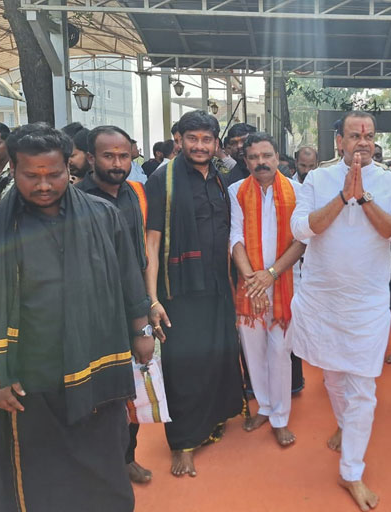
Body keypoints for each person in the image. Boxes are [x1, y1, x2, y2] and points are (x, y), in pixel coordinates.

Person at [0, 123, 153, 511]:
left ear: (70, 167)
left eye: (54, 174)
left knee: (104, 476)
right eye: (32, 175)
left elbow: (129, 279)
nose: (44, 184)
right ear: (12, 170)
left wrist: (142, 331)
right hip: (28, 379)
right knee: (38, 481)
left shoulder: (102, 216)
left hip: (96, 368)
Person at [287, 111, 391, 511]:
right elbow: (301, 230)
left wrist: (365, 199)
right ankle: (345, 425)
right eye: (355, 135)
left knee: (363, 387)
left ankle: (351, 472)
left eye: (370, 136)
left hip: (367, 302)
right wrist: (343, 197)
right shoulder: (316, 179)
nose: (364, 141)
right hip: (323, 298)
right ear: (338, 140)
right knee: (334, 377)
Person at [144, 111, 244, 478]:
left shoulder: (220, 179)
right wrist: (151, 298)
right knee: (183, 364)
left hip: (219, 284)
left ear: (216, 143)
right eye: (193, 139)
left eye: (206, 139)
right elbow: (151, 242)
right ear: (179, 139)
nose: (200, 146)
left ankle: (214, 419)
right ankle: (183, 443)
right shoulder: (162, 180)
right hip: (180, 289)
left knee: (218, 355)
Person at [75, 125, 152, 484]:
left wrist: (147, 309)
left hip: (133, 305)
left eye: (124, 155)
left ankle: (127, 457)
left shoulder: (133, 194)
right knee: (101, 395)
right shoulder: (77, 200)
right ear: (91, 158)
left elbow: (138, 258)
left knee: (133, 388)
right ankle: (100, 467)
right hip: (95, 314)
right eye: (109, 155)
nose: (118, 162)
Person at [229, 132, 306, 447]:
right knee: (254, 349)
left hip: (286, 283)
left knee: (279, 351)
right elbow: (235, 236)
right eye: (254, 157)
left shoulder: (299, 191)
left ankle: (280, 417)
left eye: (266, 156)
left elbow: (301, 240)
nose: (261, 162)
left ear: (278, 158)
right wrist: (252, 279)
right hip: (250, 287)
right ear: (245, 161)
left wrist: (270, 275)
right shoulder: (235, 191)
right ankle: (263, 405)